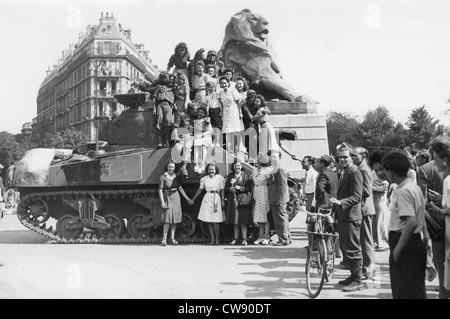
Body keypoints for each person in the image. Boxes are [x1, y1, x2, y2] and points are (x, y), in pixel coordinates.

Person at [382, 150, 428, 299]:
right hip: (415, 243)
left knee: (403, 290)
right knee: (416, 289)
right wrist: (426, 242)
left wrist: (397, 251)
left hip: (405, 243)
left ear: (391, 171)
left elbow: (411, 222)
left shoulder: (403, 191)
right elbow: (421, 217)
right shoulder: (414, 187)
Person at [329, 145, 364, 292]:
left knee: (353, 249)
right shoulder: (345, 172)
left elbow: (357, 196)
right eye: (340, 157)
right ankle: (352, 276)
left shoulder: (355, 173)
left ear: (352, 158)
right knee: (346, 247)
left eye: (345, 157)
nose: (342, 160)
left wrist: (341, 202)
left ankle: (357, 280)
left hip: (351, 216)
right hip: (344, 216)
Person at [423, 136, 450, 299]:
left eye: (436, 159)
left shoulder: (448, 180)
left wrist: (439, 210)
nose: (434, 163)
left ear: (445, 160)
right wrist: (441, 200)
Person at [353, 146, 376, 280]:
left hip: (365, 208)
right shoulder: (361, 169)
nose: (353, 157)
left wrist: (353, 193)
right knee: (364, 239)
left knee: (366, 239)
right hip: (363, 208)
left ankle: (369, 267)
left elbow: (366, 190)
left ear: (363, 156)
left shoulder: (364, 169)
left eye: (355, 155)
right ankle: (367, 266)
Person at [158, 159, 193, 246]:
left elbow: (180, 188)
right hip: (167, 198)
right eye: (169, 167)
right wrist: (162, 202)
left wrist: (187, 198)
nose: (171, 168)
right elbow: (160, 190)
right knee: (167, 220)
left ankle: (172, 238)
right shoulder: (163, 177)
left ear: (174, 168)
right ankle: (164, 239)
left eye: (172, 167)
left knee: (174, 220)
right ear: (167, 167)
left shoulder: (176, 177)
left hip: (176, 198)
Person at [191, 162, 226, 245]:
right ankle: (212, 239)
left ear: (215, 170)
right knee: (209, 220)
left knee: (216, 221)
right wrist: (193, 199)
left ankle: (217, 239)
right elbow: (200, 189)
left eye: (212, 169)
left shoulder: (219, 178)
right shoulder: (204, 179)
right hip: (207, 197)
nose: (211, 171)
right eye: (209, 169)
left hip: (216, 198)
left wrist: (223, 200)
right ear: (207, 170)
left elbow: (222, 189)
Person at [224, 160, 253, 245]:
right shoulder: (230, 176)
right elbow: (226, 187)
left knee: (243, 220)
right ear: (233, 167)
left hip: (242, 200)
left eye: (238, 166)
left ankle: (245, 239)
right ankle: (235, 238)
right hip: (233, 199)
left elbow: (248, 188)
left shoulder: (246, 176)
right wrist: (230, 189)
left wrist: (240, 188)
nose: (237, 167)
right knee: (235, 220)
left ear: (241, 167)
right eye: (235, 166)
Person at [368, 150, 390, 252]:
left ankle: (383, 243)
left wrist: (372, 187)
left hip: (382, 202)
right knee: (376, 222)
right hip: (375, 200)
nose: (379, 173)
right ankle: (377, 242)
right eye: (376, 170)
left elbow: (383, 188)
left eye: (381, 169)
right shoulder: (374, 175)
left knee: (381, 222)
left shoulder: (387, 183)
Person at [268, 150, 291, 246]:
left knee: (280, 220)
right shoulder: (275, 168)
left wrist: (279, 199)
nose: (272, 158)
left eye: (275, 157)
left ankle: (283, 239)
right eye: (272, 157)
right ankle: (287, 237)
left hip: (278, 199)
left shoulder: (280, 169)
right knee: (283, 218)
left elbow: (282, 186)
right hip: (275, 198)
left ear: (279, 158)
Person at [217, 75, 244, 152]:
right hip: (226, 112)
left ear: (228, 83)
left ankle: (238, 147)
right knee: (228, 131)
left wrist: (240, 112)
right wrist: (221, 112)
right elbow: (221, 104)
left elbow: (238, 102)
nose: (223, 85)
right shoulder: (220, 93)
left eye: (225, 83)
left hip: (234, 110)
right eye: (222, 83)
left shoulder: (233, 90)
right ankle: (229, 149)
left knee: (236, 130)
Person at [251, 152, 272, 245]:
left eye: (259, 159)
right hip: (257, 192)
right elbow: (253, 182)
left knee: (265, 214)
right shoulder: (255, 170)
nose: (258, 161)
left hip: (264, 192)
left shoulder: (268, 170)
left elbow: (270, 183)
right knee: (259, 215)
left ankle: (266, 237)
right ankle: (260, 236)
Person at [152, 71, 175, 148]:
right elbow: (154, 97)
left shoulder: (173, 89)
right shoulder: (159, 87)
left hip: (169, 105)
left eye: (171, 79)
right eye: (167, 78)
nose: (169, 80)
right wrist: (154, 108)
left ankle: (166, 140)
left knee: (168, 121)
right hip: (160, 104)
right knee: (159, 120)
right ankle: (160, 141)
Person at [192, 106, 213, 174]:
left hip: (206, 137)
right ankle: (196, 163)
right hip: (198, 138)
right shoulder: (195, 121)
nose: (200, 114)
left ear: (204, 114)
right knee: (196, 143)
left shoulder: (206, 120)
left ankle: (202, 163)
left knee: (203, 145)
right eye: (199, 112)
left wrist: (202, 134)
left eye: (202, 113)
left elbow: (210, 131)